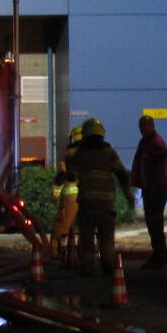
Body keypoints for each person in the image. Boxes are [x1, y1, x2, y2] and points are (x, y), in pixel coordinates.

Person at [66, 117, 133, 277]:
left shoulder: (80, 154)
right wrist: (129, 195)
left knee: (87, 238)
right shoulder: (109, 152)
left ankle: (87, 269)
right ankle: (108, 268)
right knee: (107, 238)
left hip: (87, 203)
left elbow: (71, 176)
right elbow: (122, 175)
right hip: (105, 204)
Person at [132, 114, 167, 269]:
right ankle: (159, 254)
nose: (142, 129)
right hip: (152, 187)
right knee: (153, 222)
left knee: (154, 222)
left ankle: (160, 256)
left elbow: (157, 168)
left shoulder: (155, 144)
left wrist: (152, 189)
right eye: (140, 126)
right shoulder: (147, 142)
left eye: (144, 126)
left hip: (157, 187)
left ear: (151, 126)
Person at [50, 125, 82, 261]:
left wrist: (55, 193)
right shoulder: (94, 152)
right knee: (86, 228)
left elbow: (61, 176)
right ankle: (84, 255)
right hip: (88, 195)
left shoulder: (69, 153)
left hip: (70, 197)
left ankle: (56, 253)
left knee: (62, 227)